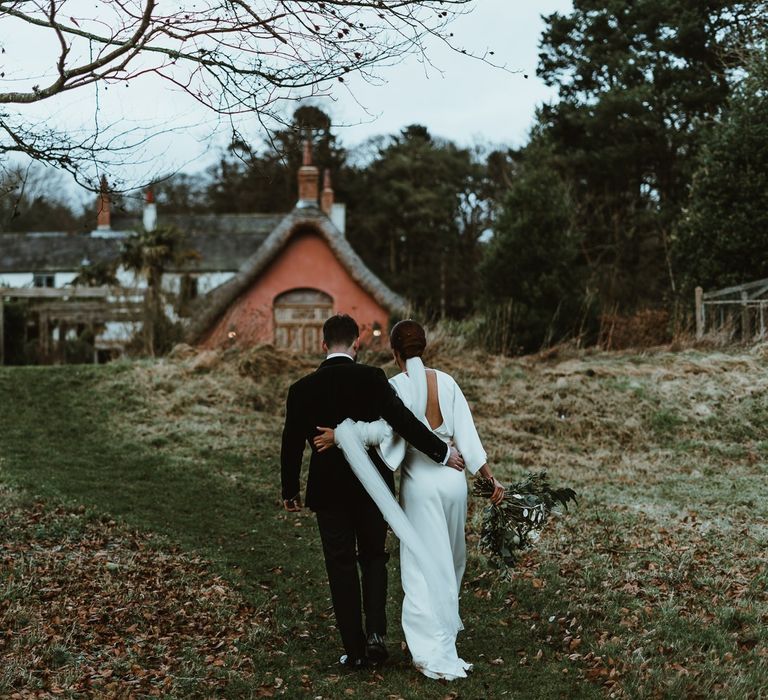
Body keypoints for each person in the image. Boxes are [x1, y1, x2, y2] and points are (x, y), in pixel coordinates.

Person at [313, 319, 504, 680]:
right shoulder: (447, 382)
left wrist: (342, 436)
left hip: (421, 486)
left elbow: (384, 435)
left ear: (394, 352)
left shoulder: (395, 386)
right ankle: (445, 638)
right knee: (450, 560)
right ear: (425, 347)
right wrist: (490, 479)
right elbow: (470, 438)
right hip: (454, 482)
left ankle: (428, 650)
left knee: (419, 566)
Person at [280, 314, 465, 670]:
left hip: (328, 492)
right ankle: (377, 633)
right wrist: (442, 452)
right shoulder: (372, 378)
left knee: (341, 565)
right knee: (373, 558)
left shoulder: (302, 389)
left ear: (323, 346)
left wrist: (290, 490)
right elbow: (404, 423)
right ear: (356, 345)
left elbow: (291, 445)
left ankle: (355, 649)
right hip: (372, 489)